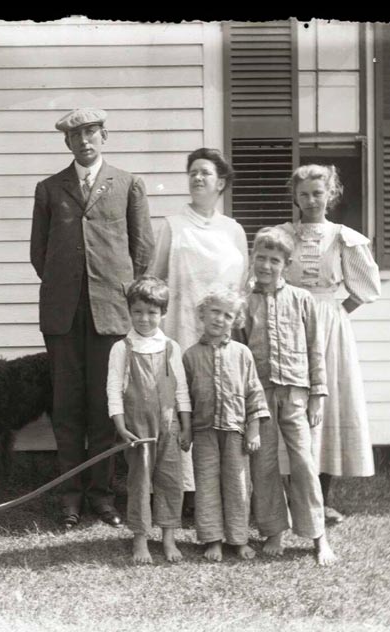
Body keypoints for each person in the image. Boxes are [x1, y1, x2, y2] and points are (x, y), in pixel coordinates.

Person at [30, 108, 155, 530]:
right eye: (75, 135)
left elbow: (142, 251)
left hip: (110, 313)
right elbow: (39, 255)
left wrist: (115, 293)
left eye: (91, 132)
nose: (84, 141)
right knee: (67, 408)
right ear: (67, 143)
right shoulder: (49, 189)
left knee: (105, 406)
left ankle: (102, 496)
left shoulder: (128, 184)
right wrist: (69, 287)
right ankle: (69, 496)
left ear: (105, 135)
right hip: (63, 314)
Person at [275, 164, 381, 524]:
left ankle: (322, 498)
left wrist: (335, 311)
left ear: (330, 195)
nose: (310, 200)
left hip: (329, 328)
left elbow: (366, 289)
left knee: (326, 409)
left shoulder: (343, 237)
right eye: (303, 193)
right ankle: (291, 500)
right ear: (295, 196)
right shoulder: (282, 235)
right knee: (291, 404)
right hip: (288, 322)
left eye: (317, 193)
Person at [149, 148, 249, 509]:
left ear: (221, 182)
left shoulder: (233, 230)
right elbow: (154, 281)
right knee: (182, 405)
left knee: (218, 403)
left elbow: (242, 287)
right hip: (181, 330)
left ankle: (222, 492)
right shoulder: (173, 226)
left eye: (205, 172)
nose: (197, 178)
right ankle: (184, 494)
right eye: (192, 172)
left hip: (221, 336)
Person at [243, 228, 336, 565]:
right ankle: (274, 530)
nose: (267, 266)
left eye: (275, 260)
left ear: (286, 264)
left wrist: (318, 394)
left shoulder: (301, 299)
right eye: (262, 258)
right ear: (254, 259)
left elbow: (316, 350)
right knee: (263, 465)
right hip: (260, 395)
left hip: (297, 392)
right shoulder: (245, 303)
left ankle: (318, 535)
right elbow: (240, 357)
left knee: (304, 463)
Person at [106, 276, 191, 563]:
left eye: (152, 313)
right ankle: (140, 539)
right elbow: (114, 390)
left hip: (169, 427)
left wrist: (185, 425)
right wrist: (120, 426)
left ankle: (168, 538)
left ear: (162, 314)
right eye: (138, 312)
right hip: (137, 429)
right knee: (140, 483)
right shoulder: (122, 349)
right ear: (129, 312)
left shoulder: (171, 348)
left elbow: (181, 389)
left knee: (170, 481)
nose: (144, 319)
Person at [182, 286, 269, 562]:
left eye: (228, 315)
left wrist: (254, 429)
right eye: (215, 312)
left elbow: (254, 392)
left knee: (238, 485)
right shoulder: (190, 355)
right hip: (204, 431)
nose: (220, 319)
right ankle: (212, 539)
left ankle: (239, 539)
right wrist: (185, 430)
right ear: (202, 314)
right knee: (207, 484)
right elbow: (183, 398)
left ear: (236, 320)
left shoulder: (242, 354)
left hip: (236, 431)